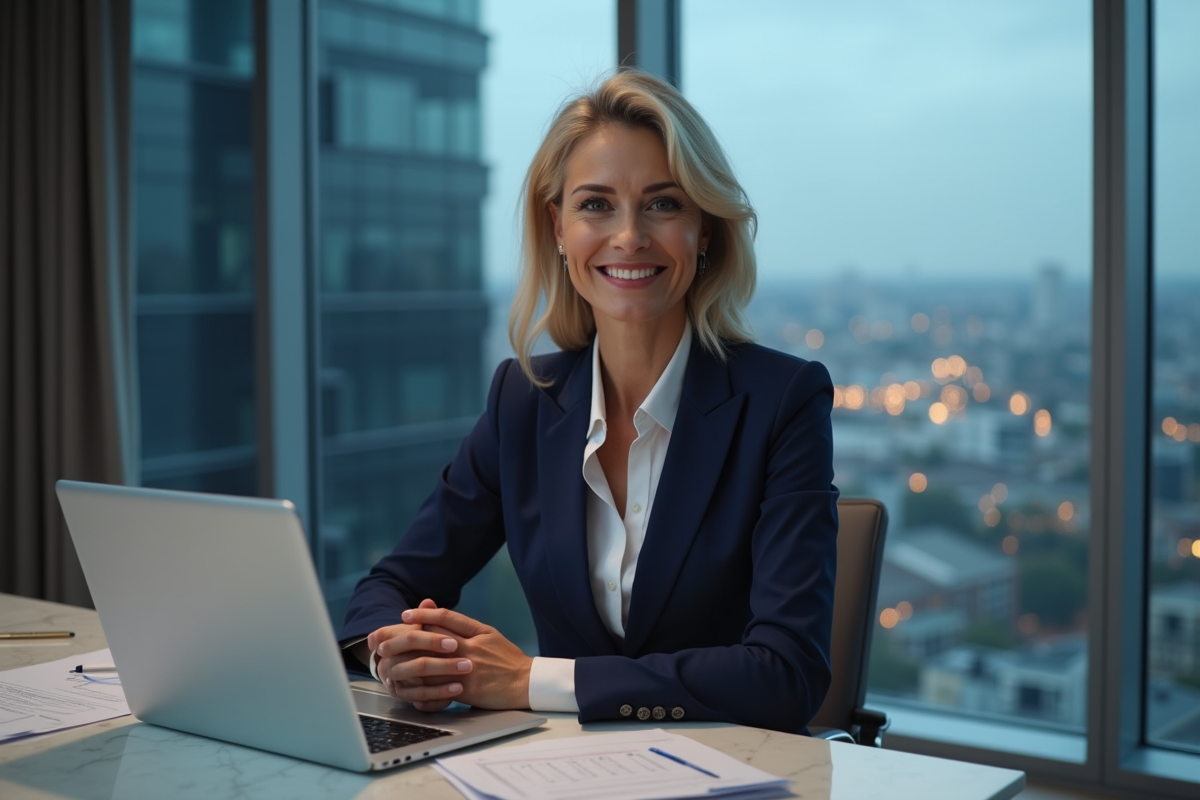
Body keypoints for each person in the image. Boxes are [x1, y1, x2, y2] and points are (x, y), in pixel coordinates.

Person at [338, 70, 838, 734]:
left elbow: (786, 675)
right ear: (558, 227)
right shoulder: (523, 401)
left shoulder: (783, 402)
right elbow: (388, 589)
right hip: (560, 773)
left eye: (663, 204)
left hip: (736, 771)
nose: (628, 237)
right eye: (596, 204)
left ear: (705, 230)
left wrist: (530, 680)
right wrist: (398, 657)